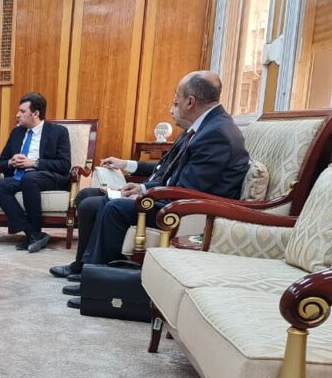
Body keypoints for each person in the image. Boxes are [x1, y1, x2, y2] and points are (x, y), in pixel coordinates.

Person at [65, 70, 249, 309]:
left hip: (195, 212)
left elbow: (188, 188)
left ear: (190, 101)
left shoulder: (216, 134)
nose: (173, 104)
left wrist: (145, 192)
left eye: (176, 98)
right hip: (179, 199)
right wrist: (142, 187)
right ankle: (89, 273)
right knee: (95, 198)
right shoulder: (205, 127)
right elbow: (171, 171)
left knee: (115, 207)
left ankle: (99, 287)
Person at [0, 92, 72, 253]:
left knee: (30, 178)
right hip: (19, 176)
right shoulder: (16, 133)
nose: (17, 115)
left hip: (47, 176)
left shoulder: (58, 132)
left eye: (22, 111)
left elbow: (64, 165)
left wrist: (34, 163)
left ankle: (34, 232)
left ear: (35, 114)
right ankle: (33, 234)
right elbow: (1, 162)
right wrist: (11, 162)